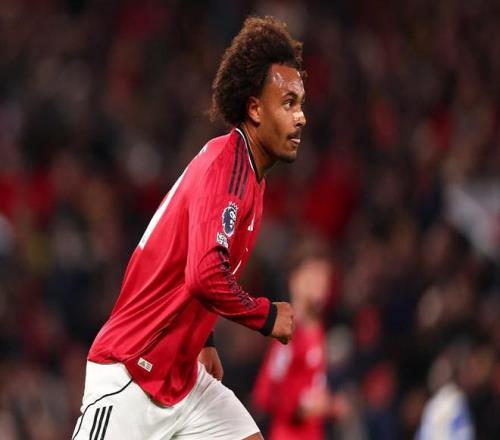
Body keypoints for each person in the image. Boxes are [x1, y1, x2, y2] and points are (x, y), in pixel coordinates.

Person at [72, 15, 306, 440]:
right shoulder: (228, 168)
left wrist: (205, 338)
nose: (301, 117)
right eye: (288, 103)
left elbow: (190, 259)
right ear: (255, 109)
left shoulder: (248, 175)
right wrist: (266, 315)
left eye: (300, 103)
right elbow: (204, 274)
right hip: (133, 372)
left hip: (181, 377)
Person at [253, 241, 350, 439]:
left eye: (324, 276)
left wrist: (329, 405)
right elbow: (264, 395)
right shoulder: (289, 331)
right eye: (313, 274)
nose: (321, 283)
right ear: (295, 279)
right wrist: (301, 407)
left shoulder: (317, 328)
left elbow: (309, 387)